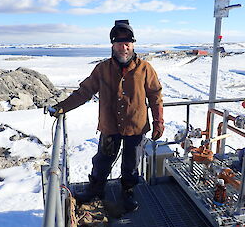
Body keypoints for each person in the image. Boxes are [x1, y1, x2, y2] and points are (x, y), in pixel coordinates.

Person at [53, 20, 164, 212]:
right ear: (113, 45)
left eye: (128, 42)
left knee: (131, 163)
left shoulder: (145, 69)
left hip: (135, 128)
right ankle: (96, 189)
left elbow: (155, 96)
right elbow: (84, 92)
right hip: (110, 127)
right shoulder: (102, 69)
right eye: (119, 42)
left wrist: (158, 122)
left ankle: (127, 191)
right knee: (102, 160)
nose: (124, 46)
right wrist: (61, 108)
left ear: (133, 44)